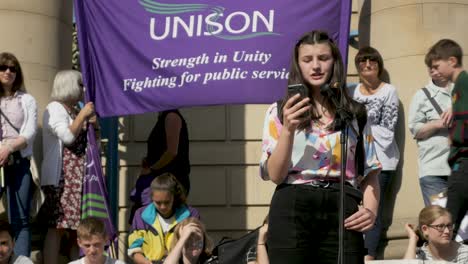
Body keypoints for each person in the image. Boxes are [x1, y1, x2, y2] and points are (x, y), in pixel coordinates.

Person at [259, 30, 381, 264]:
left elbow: (371, 172)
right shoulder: (279, 111)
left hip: (342, 203)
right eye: (307, 60)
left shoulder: (355, 113)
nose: (315, 66)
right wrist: (288, 129)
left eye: (323, 58)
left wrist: (371, 212)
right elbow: (275, 175)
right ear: (298, 65)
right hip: (293, 203)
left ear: (334, 62)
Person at [349, 46, 400, 260]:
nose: (367, 65)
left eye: (372, 61)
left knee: (373, 212)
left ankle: (368, 256)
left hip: (382, 160)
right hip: (355, 161)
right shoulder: (350, 91)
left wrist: (361, 123)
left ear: (379, 66)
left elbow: (388, 132)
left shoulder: (389, 91)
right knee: (352, 210)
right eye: (362, 61)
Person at [40, 70, 96, 264]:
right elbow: (68, 137)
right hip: (62, 177)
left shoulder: (74, 110)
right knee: (57, 226)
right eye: (80, 84)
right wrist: (82, 116)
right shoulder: (55, 108)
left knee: (77, 230)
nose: (84, 89)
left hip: (79, 177)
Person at [426, 39, 468, 236]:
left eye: (437, 65)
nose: (434, 71)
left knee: (447, 224)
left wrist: (456, 137)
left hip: (464, 163)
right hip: (461, 163)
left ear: (452, 60)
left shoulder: (464, 83)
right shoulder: (458, 88)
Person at [0, 52, 38, 257]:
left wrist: (8, 149)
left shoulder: (27, 100)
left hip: (18, 160)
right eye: (3, 67)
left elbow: (30, 132)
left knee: (21, 218)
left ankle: (21, 261)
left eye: (13, 68)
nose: (8, 72)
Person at [129, 109, 190, 223]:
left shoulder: (171, 116)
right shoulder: (164, 117)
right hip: (160, 179)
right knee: (150, 219)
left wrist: (152, 169)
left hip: (169, 180)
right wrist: (149, 161)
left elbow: (172, 152)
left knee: (162, 221)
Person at [408, 56, 453, 206]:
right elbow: (415, 130)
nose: (434, 71)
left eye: (437, 66)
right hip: (433, 170)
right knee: (439, 220)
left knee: (463, 223)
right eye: (430, 68)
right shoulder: (421, 96)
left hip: (462, 169)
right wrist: (438, 124)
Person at [128, 173, 200, 264]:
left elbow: (194, 249)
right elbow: (134, 250)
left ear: (174, 197)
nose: (162, 207)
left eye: (167, 202)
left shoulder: (190, 214)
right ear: (152, 198)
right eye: (158, 203)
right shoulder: (140, 215)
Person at [404, 205, 468, 262]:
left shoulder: (465, 254)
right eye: (440, 226)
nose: (447, 231)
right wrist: (412, 239)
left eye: (449, 226)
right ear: (425, 229)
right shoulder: (420, 255)